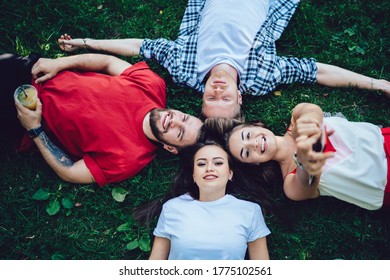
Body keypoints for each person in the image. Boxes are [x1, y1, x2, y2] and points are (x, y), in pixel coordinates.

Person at [57, 0, 390, 119]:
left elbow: (139, 46)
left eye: (210, 97)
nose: (217, 89)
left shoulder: (184, 69)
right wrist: (377, 84)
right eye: (225, 98)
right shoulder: (263, 76)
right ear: (240, 96)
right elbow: (317, 73)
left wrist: (86, 42)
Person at [0, 52, 204, 187]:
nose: (174, 120)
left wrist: (34, 128)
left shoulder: (127, 160)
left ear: (170, 148)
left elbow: (70, 172)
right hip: (40, 72)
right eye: (184, 117)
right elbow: (107, 63)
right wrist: (60, 63)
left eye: (179, 132)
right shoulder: (152, 85)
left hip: (19, 113)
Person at [204, 103, 390, 210]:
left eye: (247, 135)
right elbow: (306, 183)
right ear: (254, 164)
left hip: (384, 139)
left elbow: (311, 110)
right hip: (384, 182)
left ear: (257, 125)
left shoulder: (297, 118)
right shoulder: (290, 185)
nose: (252, 144)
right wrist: (305, 163)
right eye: (246, 153)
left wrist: (310, 123)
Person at [133, 140, 276, 260]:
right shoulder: (172, 208)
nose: (209, 168)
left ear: (230, 173)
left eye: (218, 163)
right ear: (194, 176)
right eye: (201, 164)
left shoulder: (250, 211)